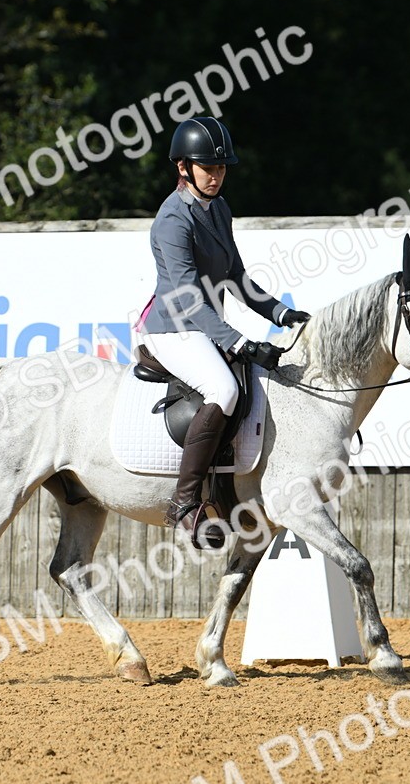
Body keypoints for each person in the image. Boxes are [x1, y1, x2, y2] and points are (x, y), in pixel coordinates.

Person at [135, 116, 310, 537]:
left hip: (202, 326)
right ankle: (184, 504)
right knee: (225, 389)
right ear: (183, 167)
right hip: (171, 330)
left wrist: (282, 314)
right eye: (207, 168)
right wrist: (241, 342)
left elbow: (236, 277)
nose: (216, 176)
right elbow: (188, 298)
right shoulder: (173, 221)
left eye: (221, 168)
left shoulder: (219, 209)